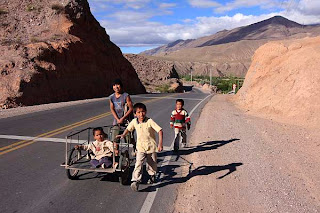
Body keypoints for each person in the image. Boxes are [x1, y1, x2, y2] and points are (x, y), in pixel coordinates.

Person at [117, 103, 163, 192]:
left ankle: (152, 176)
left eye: (143, 112)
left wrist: (160, 144)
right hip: (140, 147)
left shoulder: (150, 121)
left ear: (145, 112)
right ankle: (135, 180)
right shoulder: (134, 121)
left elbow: (160, 131)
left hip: (151, 147)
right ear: (135, 114)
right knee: (138, 164)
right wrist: (123, 135)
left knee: (152, 164)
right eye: (138, 112)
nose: (141, 114)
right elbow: (128, 128)